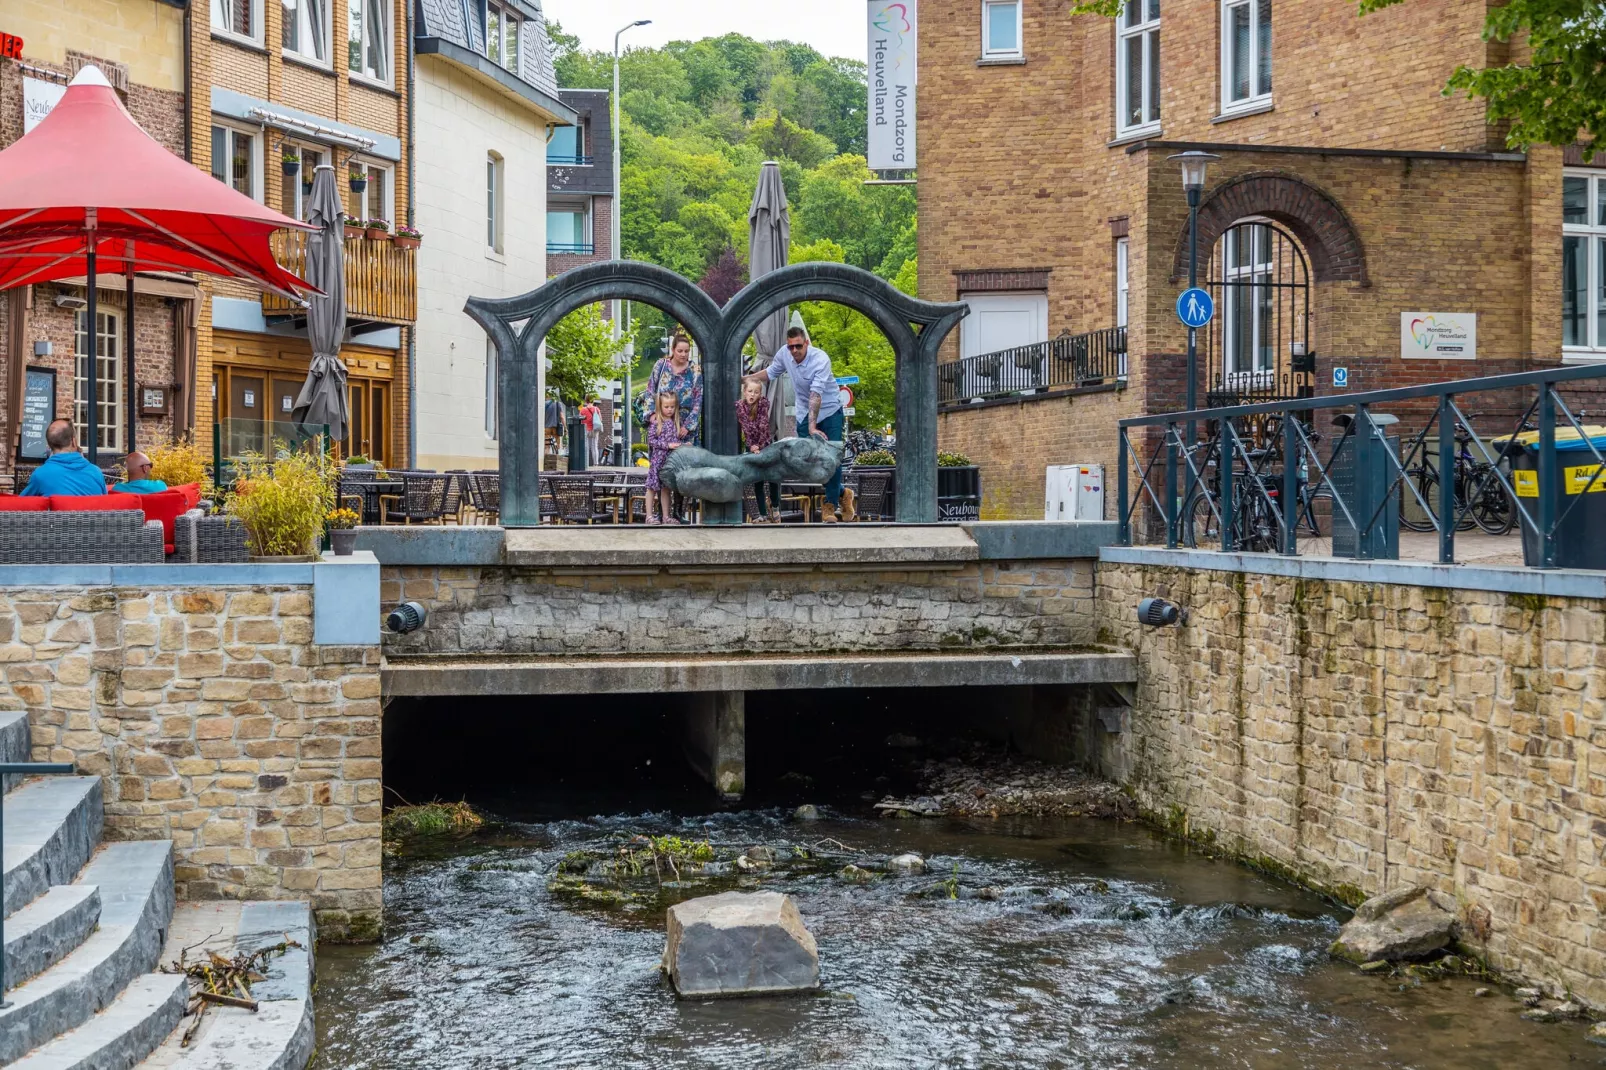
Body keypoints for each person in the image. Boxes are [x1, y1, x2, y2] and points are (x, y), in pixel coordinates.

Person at [744, 326, 853, 523]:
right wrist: (746, 379)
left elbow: (815, 394)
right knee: (808, 461)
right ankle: (843, 493)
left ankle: (829, 506)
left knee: (831, 457)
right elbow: (770, 373)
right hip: (805, 412)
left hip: (829, 410)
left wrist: (813, 427)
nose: (794, 351)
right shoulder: (785, 354)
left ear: (807, 344)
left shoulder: (820, 359)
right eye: (791, 347)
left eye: (798, 346)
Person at [20, 419, 107, 497]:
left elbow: (22, 504)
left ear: (49, 446)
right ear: (73, 441)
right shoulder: (96, 472)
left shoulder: (40, 475)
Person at [644, 333, 702, 444]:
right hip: (662, 426)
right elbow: (650, 391)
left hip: (684, 429)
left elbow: (698, 401)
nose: (683, 354)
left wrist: (688, 426)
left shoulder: (694, 371)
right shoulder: (661, 365)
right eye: (680, 351)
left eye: (686, 351)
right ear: (673, 349)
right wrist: (651, 415)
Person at [736, 378, 780, 523]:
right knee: (758, 480)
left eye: (756, 392)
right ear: (744, 391)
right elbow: (746, 427)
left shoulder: (763, 404)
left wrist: (760, 446)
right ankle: (762, 514)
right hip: (752, 445)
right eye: (750, 391)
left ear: (760, 394)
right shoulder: (740, 406)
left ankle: (775, 506)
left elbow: (763, 425)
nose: (752, 395)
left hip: (765, 443)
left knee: (773, 476)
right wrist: (751, 445)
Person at [645, 390, 687, 525]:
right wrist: (667, 445)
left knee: (666, 488)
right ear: (660, 406)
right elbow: (651, 441)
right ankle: (649, 516)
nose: (669, 410)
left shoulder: (675, 422)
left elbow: (675, 442)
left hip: (669, 461)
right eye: (666, 407)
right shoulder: (656, 422)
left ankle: (665, 516)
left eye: (672, 407)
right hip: (658, 460)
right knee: (652, 487)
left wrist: (684, 445)